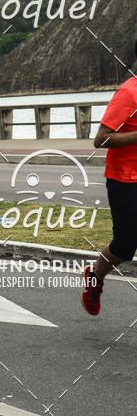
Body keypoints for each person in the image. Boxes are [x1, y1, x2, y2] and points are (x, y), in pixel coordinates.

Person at [82, 56, 137, 314]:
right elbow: (101, 140)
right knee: (125, 246)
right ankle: (95, 276)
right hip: (125, 180)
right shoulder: (129, 92)